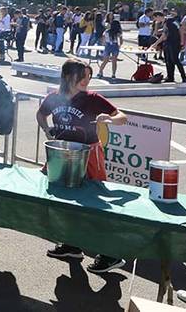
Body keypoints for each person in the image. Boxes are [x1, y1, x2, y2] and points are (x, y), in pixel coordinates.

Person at [38, 59, 128, 273]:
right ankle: (72, 244)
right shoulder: (54, 98)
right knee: (65, 202)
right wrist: (47, 130)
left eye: (89, 76)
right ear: (70, 77)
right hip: (61, 154)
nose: (87, 81)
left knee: (95, 206)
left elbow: (122, 117)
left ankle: (111, 254)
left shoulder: (92, 99)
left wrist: (109, 118)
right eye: (83, 76)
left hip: (89, 155)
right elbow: (41, 114)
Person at [152, 10, 186, 83]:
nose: (155, 20)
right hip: (168, 43)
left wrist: (182, 42)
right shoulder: (166, 22)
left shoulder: (169, 21)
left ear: (158, 16)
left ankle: (184, 77)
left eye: (155, 18)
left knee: (175, 60)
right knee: (168, 60)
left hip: (174, 43)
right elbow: (161, 32)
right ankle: (170, 77)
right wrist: (156, 25)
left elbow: (165, 35)